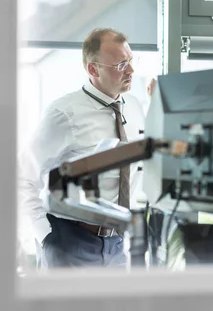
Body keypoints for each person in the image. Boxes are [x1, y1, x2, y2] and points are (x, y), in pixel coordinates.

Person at [18, 28, 147, 268]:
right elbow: (21, 177)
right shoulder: (64, 114)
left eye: (130, 60)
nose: (130, 70)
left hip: (118, 244)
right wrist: (46, 236)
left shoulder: (135, 108)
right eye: (120, 64)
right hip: (69, 241)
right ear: (93, 69)